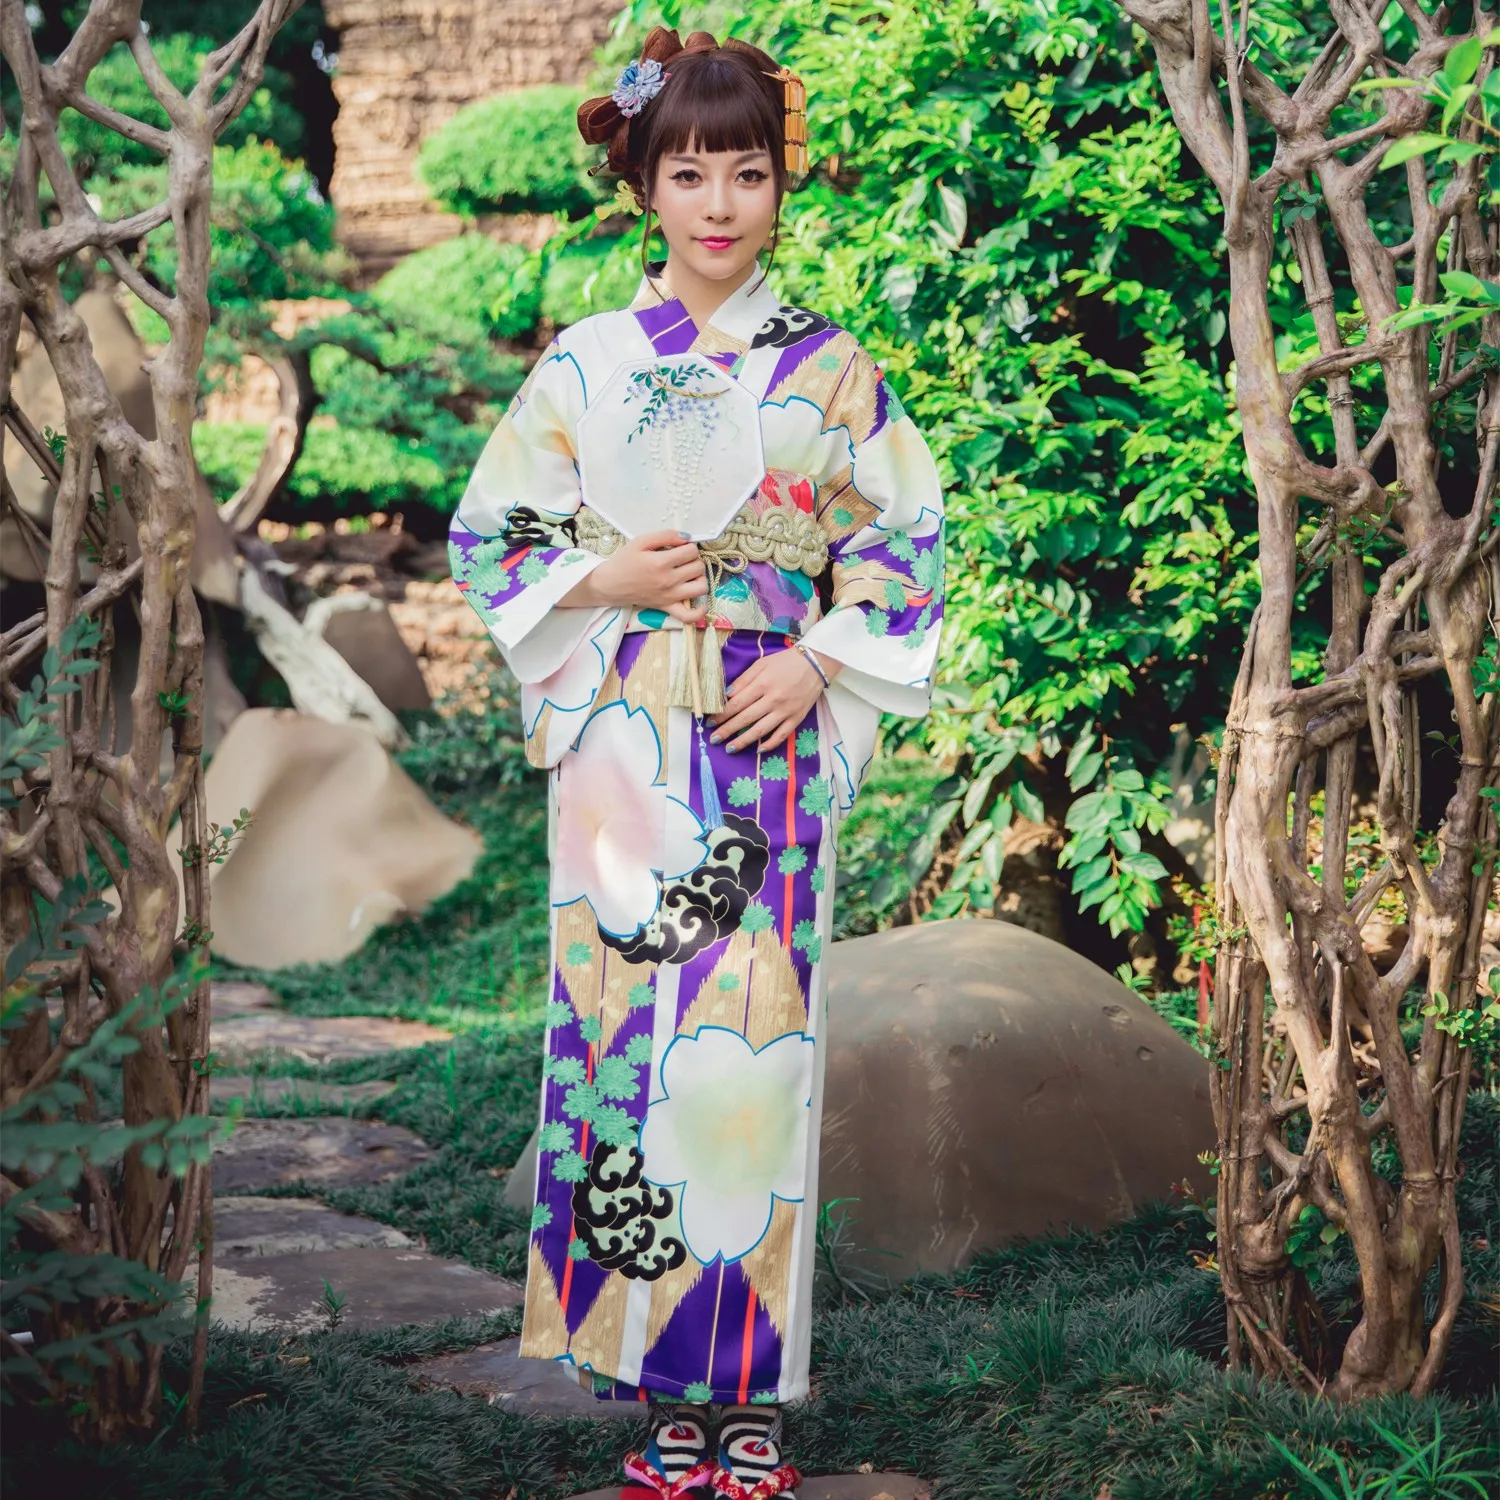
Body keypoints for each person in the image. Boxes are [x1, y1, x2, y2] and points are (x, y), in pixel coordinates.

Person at [449, 26, 944, 1500]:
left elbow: (904, 540)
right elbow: (490, 532)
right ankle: (655, 1384)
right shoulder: (585, 363)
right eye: (688, 173)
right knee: (620, 1050)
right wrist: (599, 580)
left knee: (752, 1057)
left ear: (782, 184)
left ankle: (750, 1400)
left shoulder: (832, 370)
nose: (719, 203)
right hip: (620, 746)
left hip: (759, 737)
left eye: (748, 171)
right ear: (643, 186)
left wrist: (821, 659)